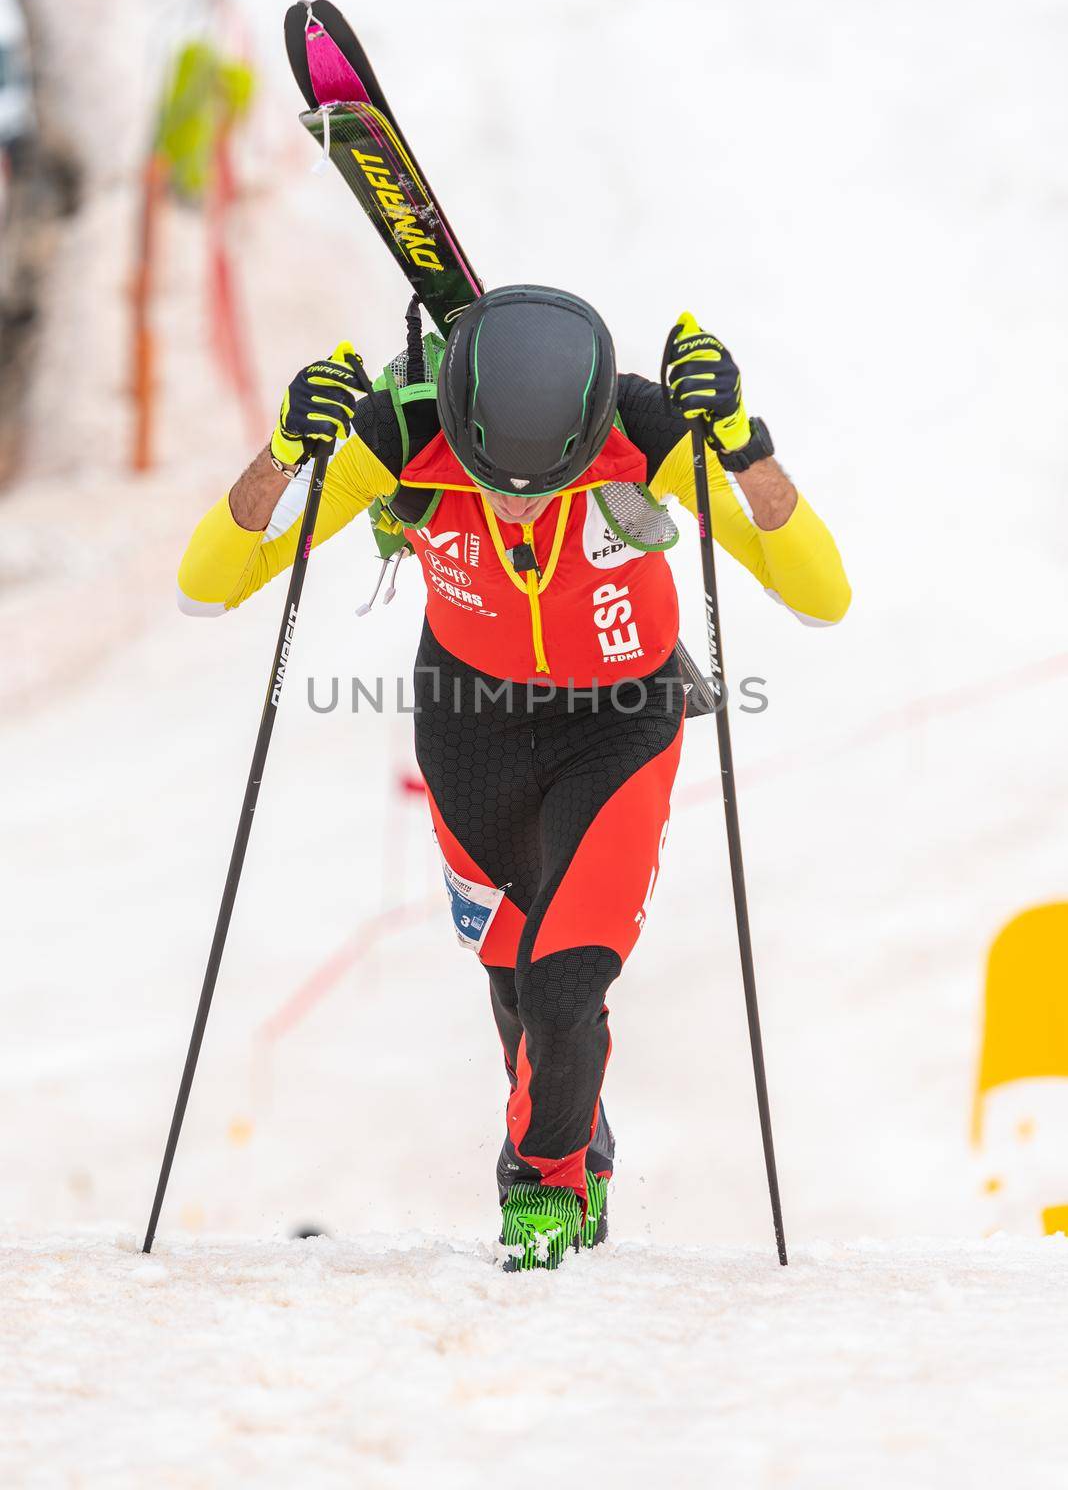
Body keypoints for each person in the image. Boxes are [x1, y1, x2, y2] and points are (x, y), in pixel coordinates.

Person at [177, 285, 850, 1270]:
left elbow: (819, 595)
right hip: (469, 725)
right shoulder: (401, 433)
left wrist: (744, 449)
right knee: (512, 982)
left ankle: (543, 1184)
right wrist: (284, 455)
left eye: (545, 484)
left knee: (565, 978)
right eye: (495, 482)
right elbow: (210, 586)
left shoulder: (644, 427)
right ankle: (582, 1145)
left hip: (617, 725)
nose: (518, 503)